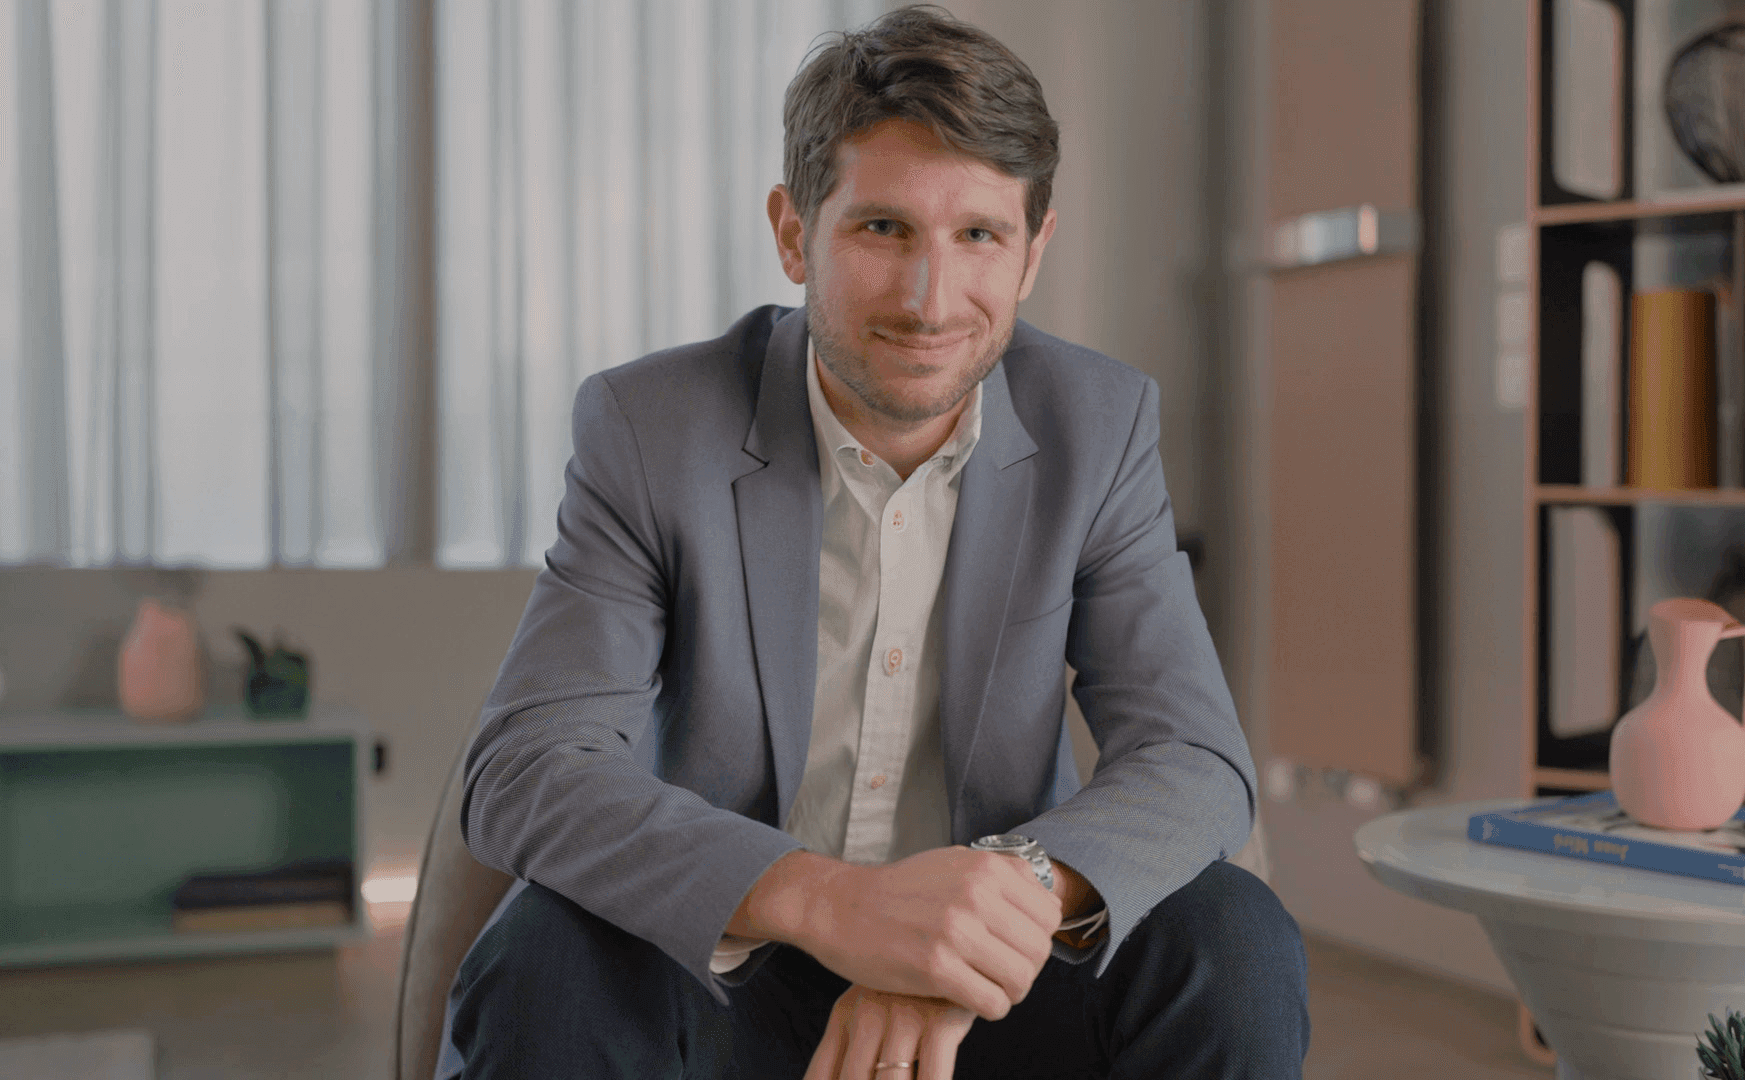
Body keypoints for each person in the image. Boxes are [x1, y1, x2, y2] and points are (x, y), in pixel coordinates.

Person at [438, 6, 1310, 1078]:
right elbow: (529, 767)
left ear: (1035, 249)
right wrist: (834, 903)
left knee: (1234, 941)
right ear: (795, 231)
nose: (928, 299)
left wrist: (979, 919)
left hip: (993, 995)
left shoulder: (1100, 422)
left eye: (978, 234)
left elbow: (1193, 756)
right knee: (547, 956)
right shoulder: (649, 427)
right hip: (731, 965)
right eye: (882, 228)